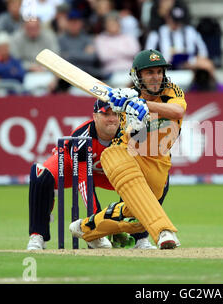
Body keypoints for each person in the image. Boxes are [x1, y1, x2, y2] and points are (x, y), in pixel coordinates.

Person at [70, 49, 185, 250]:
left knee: (140, 217)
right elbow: (131, 136)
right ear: (138, 75)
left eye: (159, 71)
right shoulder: (126, 99)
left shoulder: (172, 91)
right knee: (116, 159)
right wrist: (136, 121)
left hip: (158, 163)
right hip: (124, 155)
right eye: (150, 72)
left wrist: (145, 105)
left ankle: (87, 227)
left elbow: (178, 111)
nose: (156, 77)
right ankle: (164, 232)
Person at [28, 100, 164, 250]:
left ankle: (140, 238)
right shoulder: (82, 138)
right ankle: (37, 235)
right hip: (72, 167)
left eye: (115, 114)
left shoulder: (130, 133)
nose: (112, 118)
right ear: (95, 116)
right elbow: (84, 182)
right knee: (40, 174)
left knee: (156, 179)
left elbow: (147, 168)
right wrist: (96, 225)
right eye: (106, 114)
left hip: (112, 172)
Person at [145, 5, 208, 70]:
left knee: (207, 64)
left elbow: (203, 51)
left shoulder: (190, 31)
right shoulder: (157, 33)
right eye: (174, 21)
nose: (176, 24)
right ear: (168, 18)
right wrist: (162, 61)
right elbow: (148, 55)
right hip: (164, 66)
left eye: (178, 21)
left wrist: (193, 61)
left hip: (189, 65)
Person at [94, 11, 140, 78]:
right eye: (109, 23)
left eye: (114, 23)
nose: (112, 26)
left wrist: (113, 50)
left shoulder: (128, 36)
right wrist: (124, 51)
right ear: (105, 25)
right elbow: (104, 57)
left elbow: (135, 52)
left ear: (119, 24)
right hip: (110, 73)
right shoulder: (100, 39)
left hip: (130, 71)